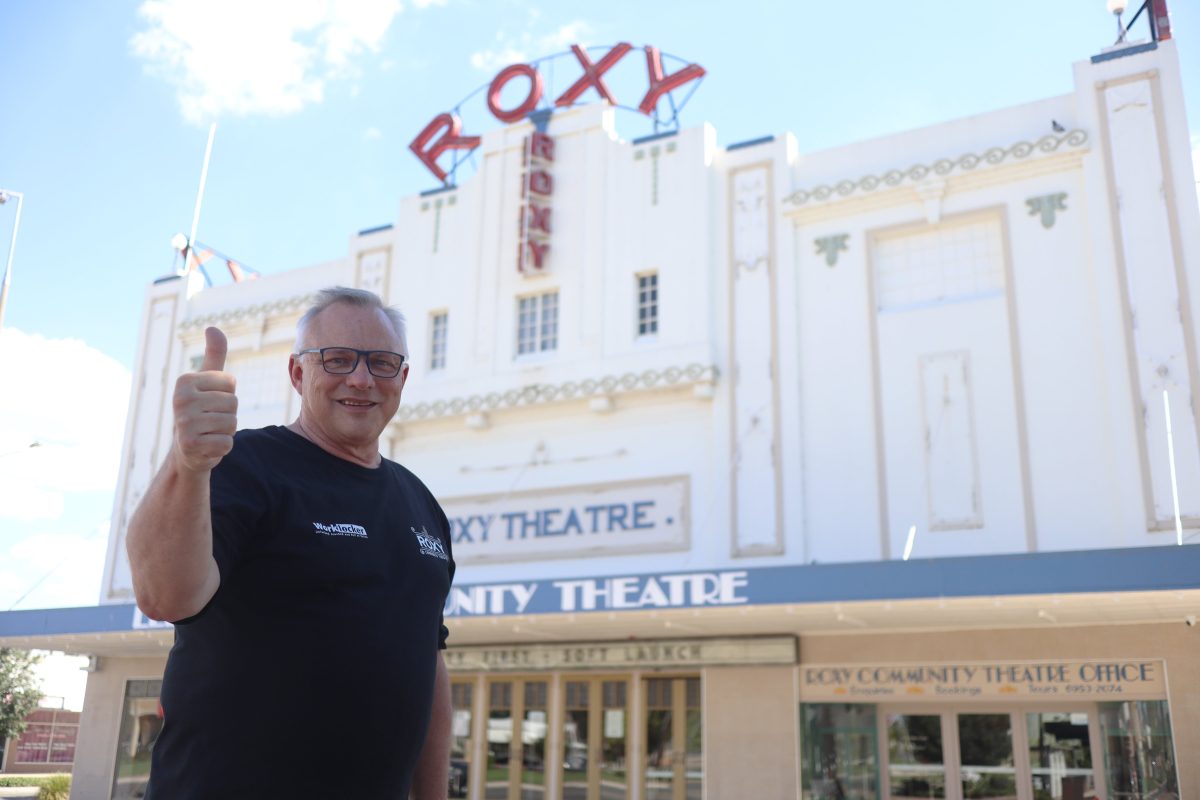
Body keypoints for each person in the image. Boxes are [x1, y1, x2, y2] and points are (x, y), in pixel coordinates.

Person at [127, 286, 454, 799]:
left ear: (403, 378)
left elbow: (427, 665)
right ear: (298, 374)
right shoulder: (244, 465)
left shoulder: (423, 505)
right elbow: (164, 595)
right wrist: (187, 464)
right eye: (339, 359)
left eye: (382, 363)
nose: (362, 379)